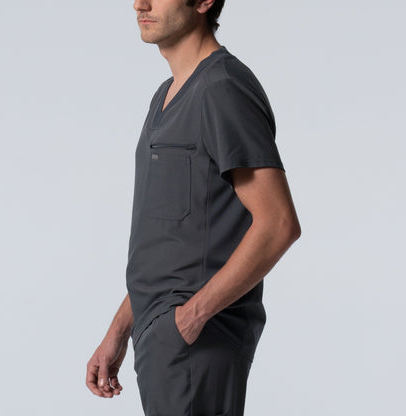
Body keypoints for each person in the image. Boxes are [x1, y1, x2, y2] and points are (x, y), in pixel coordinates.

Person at [86, 0, 301, 414]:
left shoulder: (223, 88)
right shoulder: (164, 96)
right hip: (162, 340)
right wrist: (120, 329)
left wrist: (190, 318)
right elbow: (172, 240)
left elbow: (278, 223)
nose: (140, 4)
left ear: (204, 2)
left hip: (197, 342)